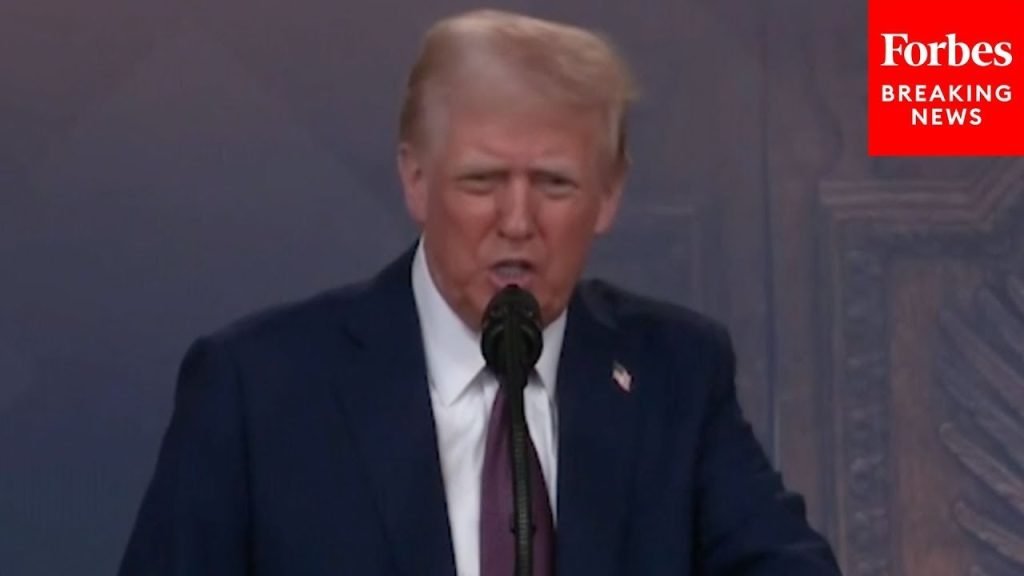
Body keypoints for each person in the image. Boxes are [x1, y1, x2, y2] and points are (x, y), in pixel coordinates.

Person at [120, 9, 841, 576]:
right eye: (481, 181)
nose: (517, 221)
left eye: (554, 183)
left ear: (609, 194)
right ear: (415, 179)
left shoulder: (673, 374)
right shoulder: (259, 389)